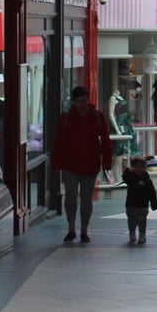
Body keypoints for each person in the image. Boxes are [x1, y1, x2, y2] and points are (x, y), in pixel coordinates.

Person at [53, 86, 113, 243]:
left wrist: (107, 162)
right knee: (71, 195)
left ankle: (84, 230)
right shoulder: (65, 118)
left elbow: (105, 141)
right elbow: (59, 142)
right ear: (74, 102)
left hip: (90, 164)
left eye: (85, 100)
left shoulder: (98, 117)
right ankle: (71, 228)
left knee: (87, 198)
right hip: (69, 164)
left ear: (89, 99)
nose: (82, 104)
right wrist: (56, 163)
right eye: (79, 101)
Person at [122, 156, 157, 244]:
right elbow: (125, 176)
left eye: (141, 167)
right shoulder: (130, 178)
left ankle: (142, 235)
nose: (139, 169)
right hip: (131, 204)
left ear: (145, 168)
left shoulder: (147, 181)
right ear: (133, 168)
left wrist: (154, 204)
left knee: (142, 221)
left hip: (143, 205)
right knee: (132, 221)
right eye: (136, 167)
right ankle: (132, 233)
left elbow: (152, 193)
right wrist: (128, 170)